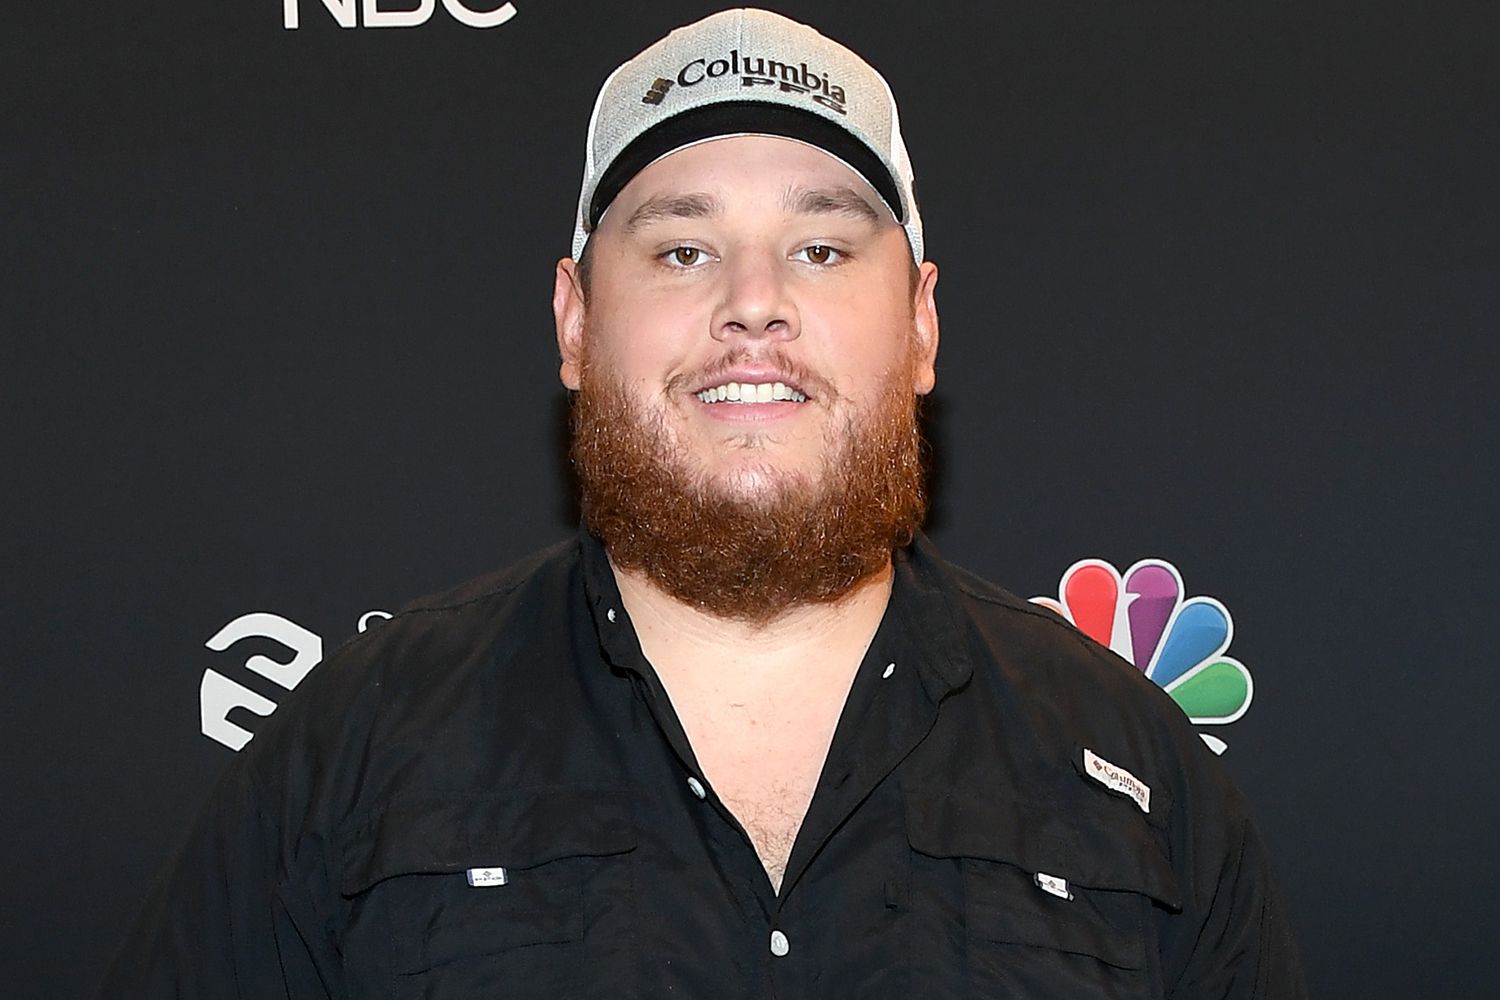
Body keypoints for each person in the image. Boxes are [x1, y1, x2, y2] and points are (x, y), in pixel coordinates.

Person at [100, 9, 1307, 998]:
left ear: (924, 321)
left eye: (823, 250)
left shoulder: (1130, 765)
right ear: (575, 320)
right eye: (682, 249)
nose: (754, 303)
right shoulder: (356, 745)